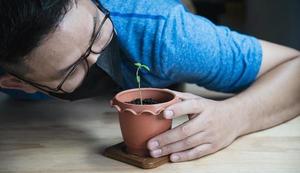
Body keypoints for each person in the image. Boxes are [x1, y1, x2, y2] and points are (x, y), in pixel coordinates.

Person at [0, 0, 299, 162]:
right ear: (15, 83)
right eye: (71, 69)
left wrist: (235, 116)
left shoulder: (168, 36)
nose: (100, 58)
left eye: (97, 30)